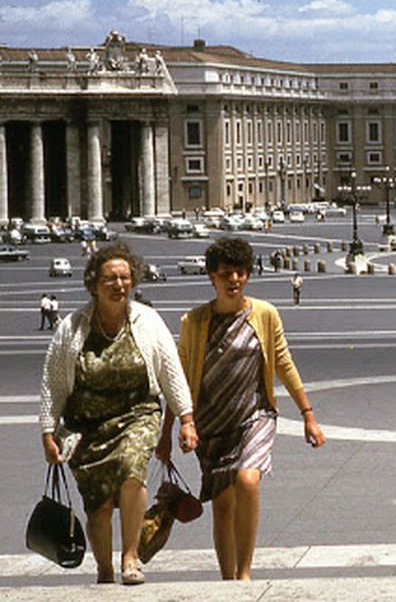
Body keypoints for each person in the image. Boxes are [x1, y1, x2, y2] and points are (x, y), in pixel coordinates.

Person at [163, 236, 325, 580]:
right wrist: (171, 430)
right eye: (225, 274)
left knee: (248, 481)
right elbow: (177, 378)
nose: (233, 280)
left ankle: (246, 573)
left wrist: (308, 415)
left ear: (248, 275)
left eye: (239, 273)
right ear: (212, 277)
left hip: (255, 415)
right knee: (222, 507)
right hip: (212, 421)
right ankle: (229, 580)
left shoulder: (265, 314)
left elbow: (284, 363)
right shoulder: (193, 322)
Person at [39, 242, 197, 585]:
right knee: (97, 504)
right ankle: (104, 569)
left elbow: (171, 372)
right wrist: (48, 432)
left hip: (137, 415)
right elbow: (52, 383)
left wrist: (186, 419)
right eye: (110, 278)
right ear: (94, 284)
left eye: (125, 277)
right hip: (86, 427)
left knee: (131, 470)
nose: (119, 285)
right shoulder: (72, 328)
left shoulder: (147, 321)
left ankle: (130, 557)